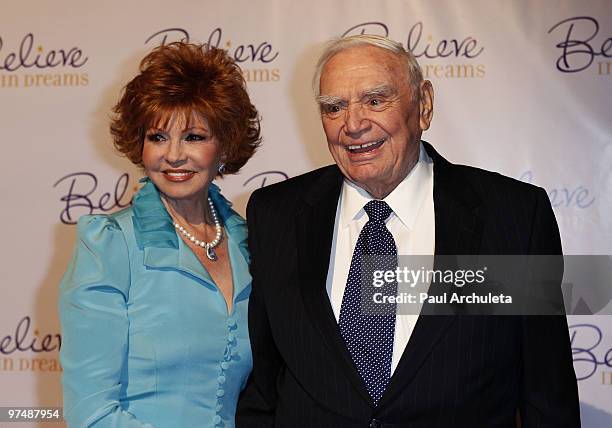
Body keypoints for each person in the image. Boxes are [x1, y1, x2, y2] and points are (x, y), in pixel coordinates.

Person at [236, 35, 580, 427]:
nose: (353, 124)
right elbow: (263, 385)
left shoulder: (513, 215)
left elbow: (547, 395)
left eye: (375, 100)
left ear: (424, 106)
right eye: (334, 107)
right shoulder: (276, 214)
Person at [59, 42, 260, 427]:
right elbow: (92, 414)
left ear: (225, 146)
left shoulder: (247, 244)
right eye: (158, 137)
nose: (173, 155)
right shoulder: (110, 245)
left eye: (194, 137)